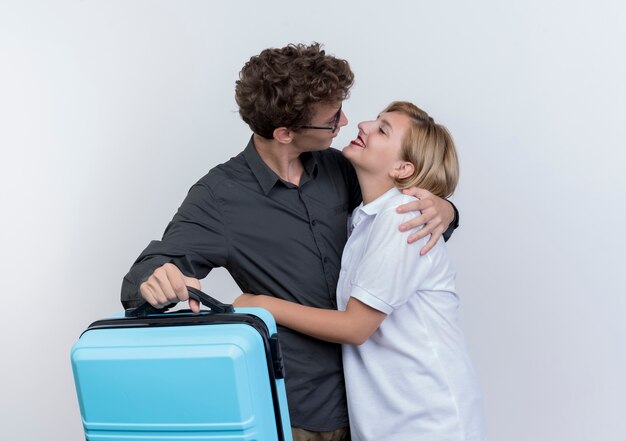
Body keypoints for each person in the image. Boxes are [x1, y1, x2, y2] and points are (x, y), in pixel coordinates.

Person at [121, 44, 458, 440]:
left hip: (379, 406)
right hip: (300, 412)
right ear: (284, 133)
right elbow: (144, 277)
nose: (345, 123)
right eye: (332, 120)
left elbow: (398, 216)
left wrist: (444, 208)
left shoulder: (342, 167)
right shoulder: (220, 196)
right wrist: (154, 281)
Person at [234, 101, 486, 441]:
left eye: (382, 129)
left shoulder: (402, 214)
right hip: (392, 420)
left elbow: (356, 326)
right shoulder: (363, 220)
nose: (364, 125)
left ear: (402, 168)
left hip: (427, 419)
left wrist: (263, 305)